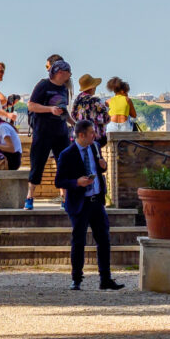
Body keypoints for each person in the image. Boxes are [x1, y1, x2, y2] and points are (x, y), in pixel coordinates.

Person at [55, 120, 123, 290]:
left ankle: (105, 279)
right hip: (80, 203)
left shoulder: (95, 148)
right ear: (81, 135)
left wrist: (104, 166)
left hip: (96, 202)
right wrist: (76, 182)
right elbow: (59, 181)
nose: (95, 135)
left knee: (104, 240)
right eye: (91, 132)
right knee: (78, 241)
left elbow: (99, 169)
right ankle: (76, 278)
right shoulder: (67, 154)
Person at [25, 61, 73, 210]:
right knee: (37, 165)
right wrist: (50, 109)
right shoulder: (43, 85)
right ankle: (29, 197)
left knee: (64, 165)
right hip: (43, 132)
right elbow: (31, 105)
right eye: (68, 72)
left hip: (60, 132)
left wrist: (74, 123)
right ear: (60, 72)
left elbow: (63, 110)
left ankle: (65, 199)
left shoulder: (65, 89)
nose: (70, 75)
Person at [70, 74, 108, 142]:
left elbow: (73, 115)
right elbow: (106, 117)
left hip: (79, 136)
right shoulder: (95, 100)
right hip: (93, 136)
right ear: (91, 88)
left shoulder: (77, 100)